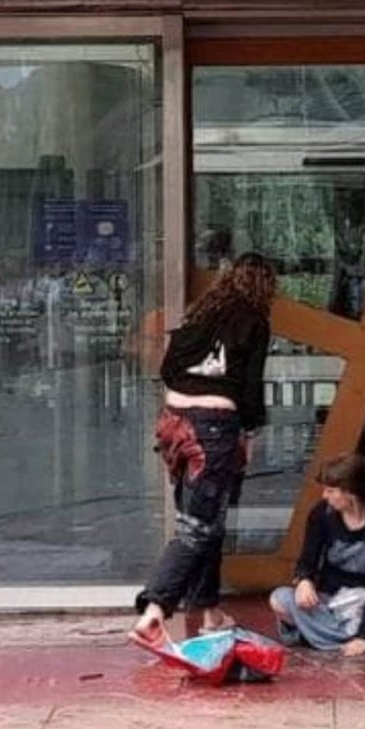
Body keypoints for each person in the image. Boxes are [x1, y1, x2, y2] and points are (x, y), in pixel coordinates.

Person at [129, 253, 274, 644]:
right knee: (197, 526)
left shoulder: (198, 316)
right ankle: (155, 608)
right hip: (214, 427)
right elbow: (250, 386)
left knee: (208, 520)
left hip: (175, 422)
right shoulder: (254, 322)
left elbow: (167, 368)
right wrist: (249, 431)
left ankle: (209, 611)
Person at [268, 454, 365, 655]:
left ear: (351, 493)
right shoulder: (321, 514)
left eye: (331, 490)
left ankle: (325, 635)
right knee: (280, 599)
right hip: (334, 600)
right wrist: (304, 580)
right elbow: (308, 560)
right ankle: (361, 634)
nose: (324, 496)